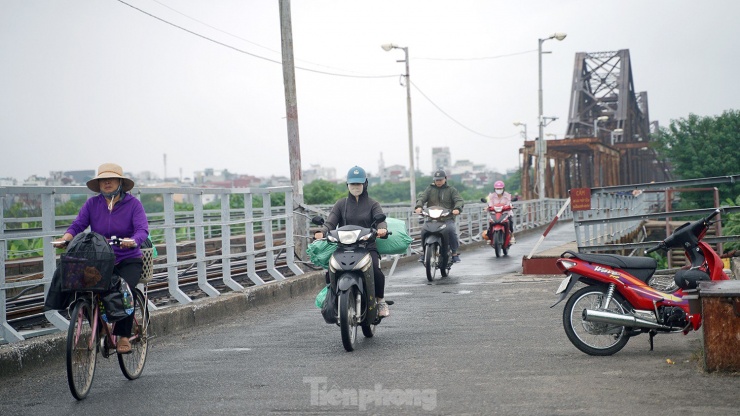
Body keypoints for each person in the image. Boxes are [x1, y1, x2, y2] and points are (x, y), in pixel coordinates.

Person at [54, 163, 149, 354]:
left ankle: (123, 336)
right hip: (100, 259)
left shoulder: (133, 205)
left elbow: (142, 230)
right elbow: (78, 225)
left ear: (120, 182)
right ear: (98, 184)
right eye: (103, 180)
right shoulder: (92, 204)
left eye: (111, 179)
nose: (107, 182)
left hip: (127, 259)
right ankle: (97, 327)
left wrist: (133, 241)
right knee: (84, 289)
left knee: (125, 291)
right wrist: (65, 238)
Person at [314, 166, 390, 317]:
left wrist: (382, 229)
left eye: (358, 184)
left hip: (367, 246)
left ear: (365, 184)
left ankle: (380, 301)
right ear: (347, 185)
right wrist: (321, 232)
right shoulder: (341, 204)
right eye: (352, 184)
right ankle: (334, 299)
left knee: (376, 271)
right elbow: (330, 223)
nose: (355, 187)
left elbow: (381, 220)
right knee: (331, 271)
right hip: (344, 247)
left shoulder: (373, 204)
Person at [414, 169, 464, 263]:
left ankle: (454, 253)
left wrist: (457, 208)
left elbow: (459, 200)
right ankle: (425, 253)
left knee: (451, 230)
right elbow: (422, 197)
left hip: (447, 218)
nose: (438, 182)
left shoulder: (451, 190)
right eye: (437, 180)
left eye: (440, 180)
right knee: (424, 230)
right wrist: (419, 206)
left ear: (445, 179)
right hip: (432, 218)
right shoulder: (430, 189)